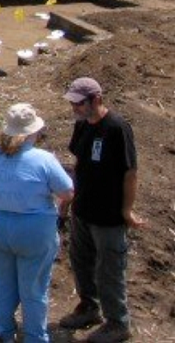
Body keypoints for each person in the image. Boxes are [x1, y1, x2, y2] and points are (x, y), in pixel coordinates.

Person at [0, 103, 74, 343]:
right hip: (33, 229)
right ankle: (35, 337)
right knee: (34, 287)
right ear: (32, 131)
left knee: (1, 283)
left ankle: (4, 333)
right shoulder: (43, 159)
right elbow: (68, 192)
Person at [58, 77, 143, 343]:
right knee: (81, 261)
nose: (75, 108)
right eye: (73, 103)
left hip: (108, 216)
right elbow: (79, 164)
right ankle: (89, 307)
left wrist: (127, 210)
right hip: (83, 210)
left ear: (96, 99)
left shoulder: (117, 128)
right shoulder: (82, 125)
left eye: (79, 103)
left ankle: (118, 322)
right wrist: (68, 201)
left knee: (110, 270)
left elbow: (130, 173)